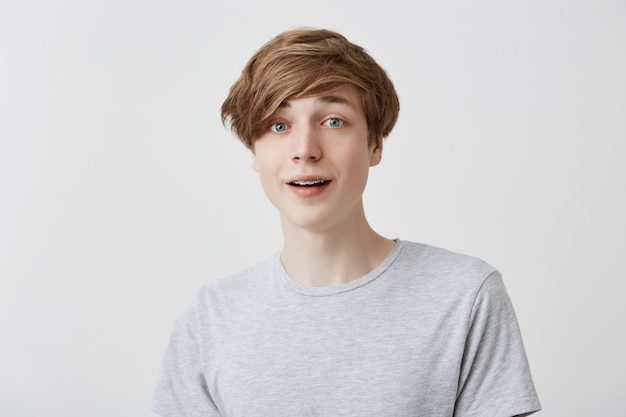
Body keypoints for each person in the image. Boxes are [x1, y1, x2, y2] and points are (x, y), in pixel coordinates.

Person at [152, 28, 541, 417]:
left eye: (334, 121)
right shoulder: (210, 316)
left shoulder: (465, 295)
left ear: (375, 145)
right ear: (255, 152)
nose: (305, 150)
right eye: (278, 125)